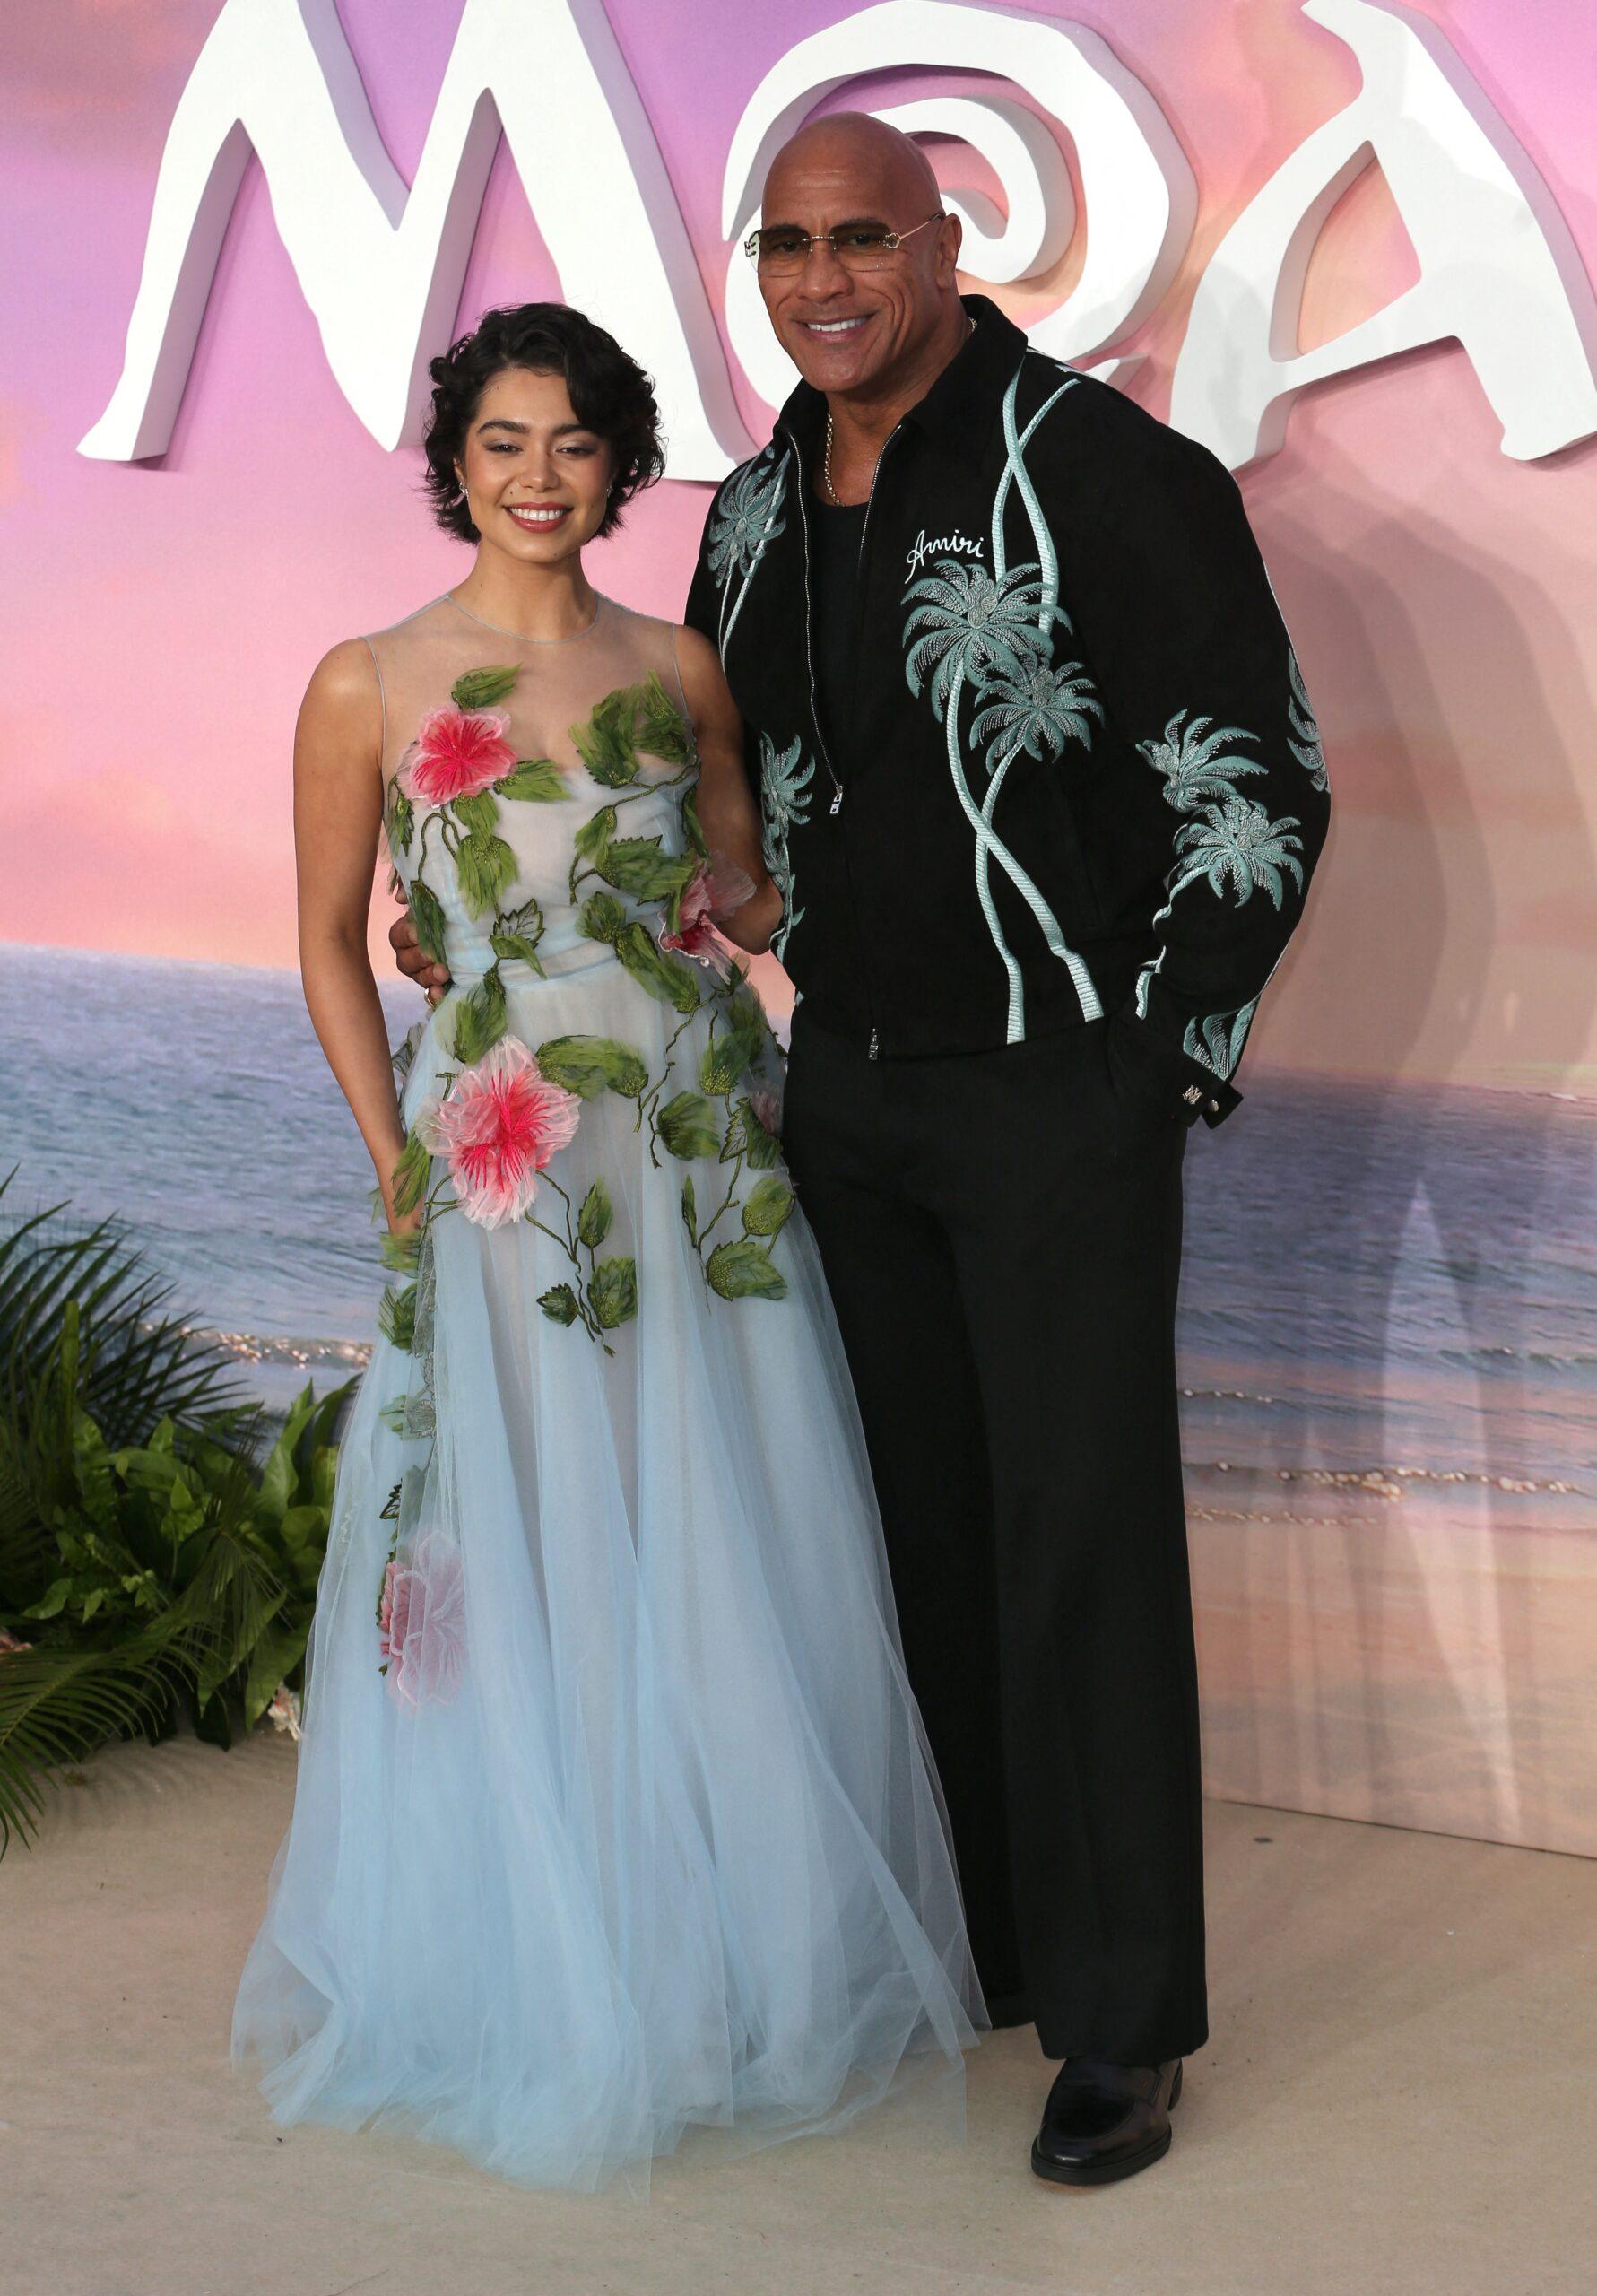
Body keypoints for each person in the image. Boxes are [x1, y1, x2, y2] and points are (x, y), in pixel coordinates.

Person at [391, 118, 1332, 2186]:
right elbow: (732, 800)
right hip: (846, 1095)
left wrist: (1155, 1066)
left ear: (946, 243)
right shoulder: (739, 516)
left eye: (866, 240)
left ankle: (1118, 2022)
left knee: (1078, 1538)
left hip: (1057, 1084)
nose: (827, 279)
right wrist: (489, 898)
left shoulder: (1103, 468)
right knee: (904, 1529)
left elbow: (1263, 778)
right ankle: (982, 1938)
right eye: (790, 245)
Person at [231, 300, 984, 2196]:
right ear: (454, 462)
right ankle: (544, 1944)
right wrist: (388, 1137)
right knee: (529, 1520)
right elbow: (330, 931)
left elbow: (744, 890)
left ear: (620, 461)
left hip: (701, 1149)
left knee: (714, 1511)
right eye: (503, 442)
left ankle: (722, 1943)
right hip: (501, 1159)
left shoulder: (680, 666)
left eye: (574, 442)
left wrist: (743, 892)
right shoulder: (369, 680)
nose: (540, 475)